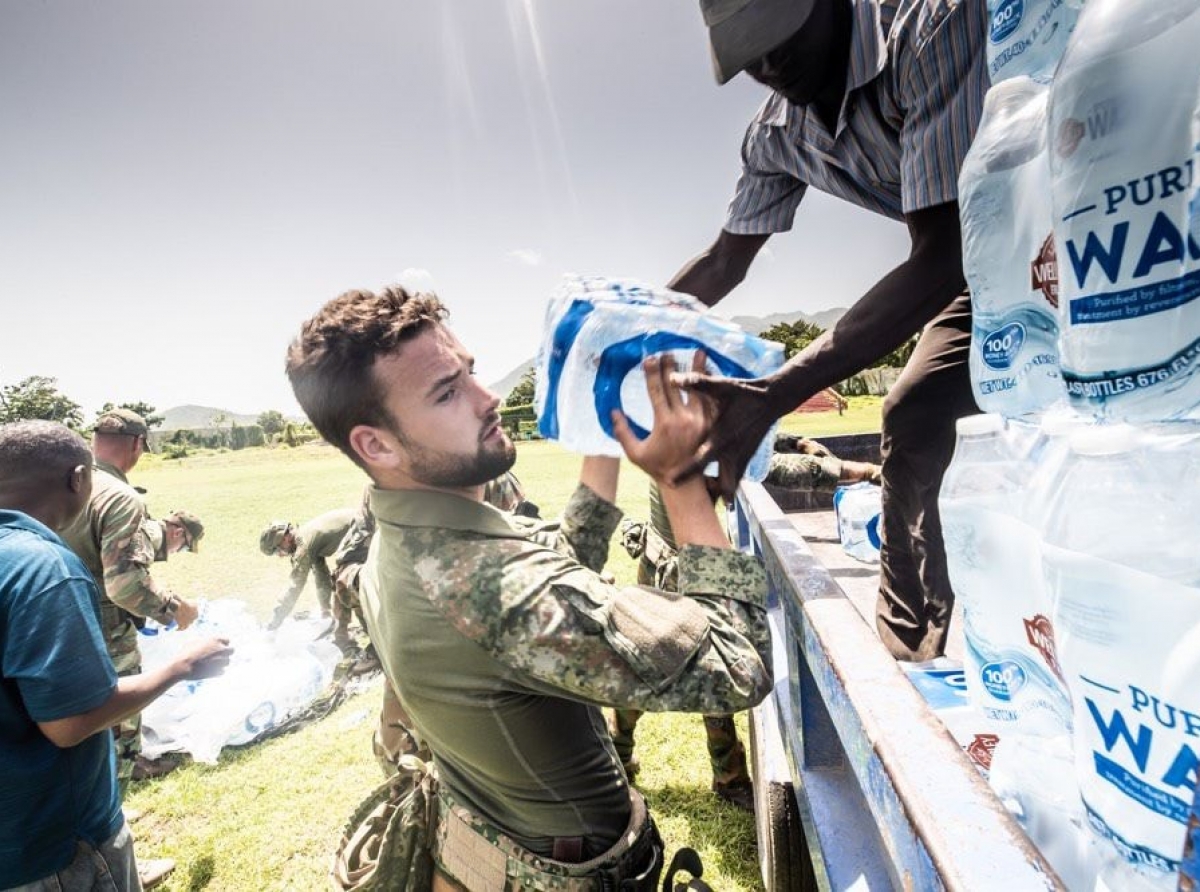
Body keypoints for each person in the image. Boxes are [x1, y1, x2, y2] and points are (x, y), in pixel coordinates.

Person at [285, 284, 772, 890]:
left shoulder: (405, 529)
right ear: (375, 444)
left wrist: (606, 436)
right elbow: (736, 664)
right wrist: (680, 481)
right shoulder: (486, 584)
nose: (487, 398)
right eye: (447, 392)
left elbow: (560, 564)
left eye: (470, 372)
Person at [670, 0, 988, 662]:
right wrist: (620, 326)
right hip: (983, 272)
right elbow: (726, 260)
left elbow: (944, 249)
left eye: (780, 35)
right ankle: (913, 652)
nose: (769, 62)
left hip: (1076, 234)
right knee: (915, 413)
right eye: (747, 55)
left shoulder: (929, 26)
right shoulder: (774, 137)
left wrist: (774, 392)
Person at [0, 420, 232, 892]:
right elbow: (71, 721)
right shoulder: (43, 568)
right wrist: (182, 665)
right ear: (77, 479)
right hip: (55, 844)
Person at [612, 433, 881, 809]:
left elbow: (752, 429)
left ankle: (619, 753)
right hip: (684, 572)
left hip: (656, 558)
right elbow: (784, 472)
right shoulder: (703, 438)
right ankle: (729, 778)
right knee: (712, 668)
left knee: (642, 664)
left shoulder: (673, 416)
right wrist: (868, 471)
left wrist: (794, 440)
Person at [60, 408, 203, 802]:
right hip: (101, 629)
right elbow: (124, 586)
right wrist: (176, 609)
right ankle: (113, 833)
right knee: (118, 726)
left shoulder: (57, 482)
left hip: (49, 625)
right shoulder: (119, 497)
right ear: (138, 445)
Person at [259, 509, 356, 630]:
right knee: (341, 583)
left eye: (277, 550)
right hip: (362, 528)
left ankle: (363, 636)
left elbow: (294, 587)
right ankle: (343, 632)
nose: (280, 555)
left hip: (365, 531)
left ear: (284, 539)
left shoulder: (303, 547)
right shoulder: (305, 536)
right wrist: (325, 609)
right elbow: (321, 574)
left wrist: (273, 623)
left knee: (347, 584)